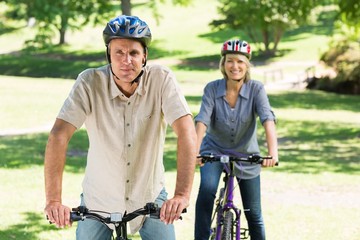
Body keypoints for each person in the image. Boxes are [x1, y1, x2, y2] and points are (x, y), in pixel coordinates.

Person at [44, 15, 197, 240]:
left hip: (150, 196)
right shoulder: (89, 83)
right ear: (109, 55)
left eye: (134, 53)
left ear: (145, 56)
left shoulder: (162, 80)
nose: (127, 60)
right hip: (99, 201)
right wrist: (54, 201)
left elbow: (186, 132)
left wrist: (181, 195)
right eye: (119, 52)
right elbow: (58, 136)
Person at [194, 39, 278, 240]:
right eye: (230, 61)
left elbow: (268, 118)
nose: (235, 66)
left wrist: (272, 153)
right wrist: (194, 152)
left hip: (246, 155)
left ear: (247, 65)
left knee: (253, 213)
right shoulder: (212, 89)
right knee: (206, 194)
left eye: (240, 61)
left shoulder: (256, 89)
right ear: (223, 64)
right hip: (213, 152)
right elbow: (202, 121)